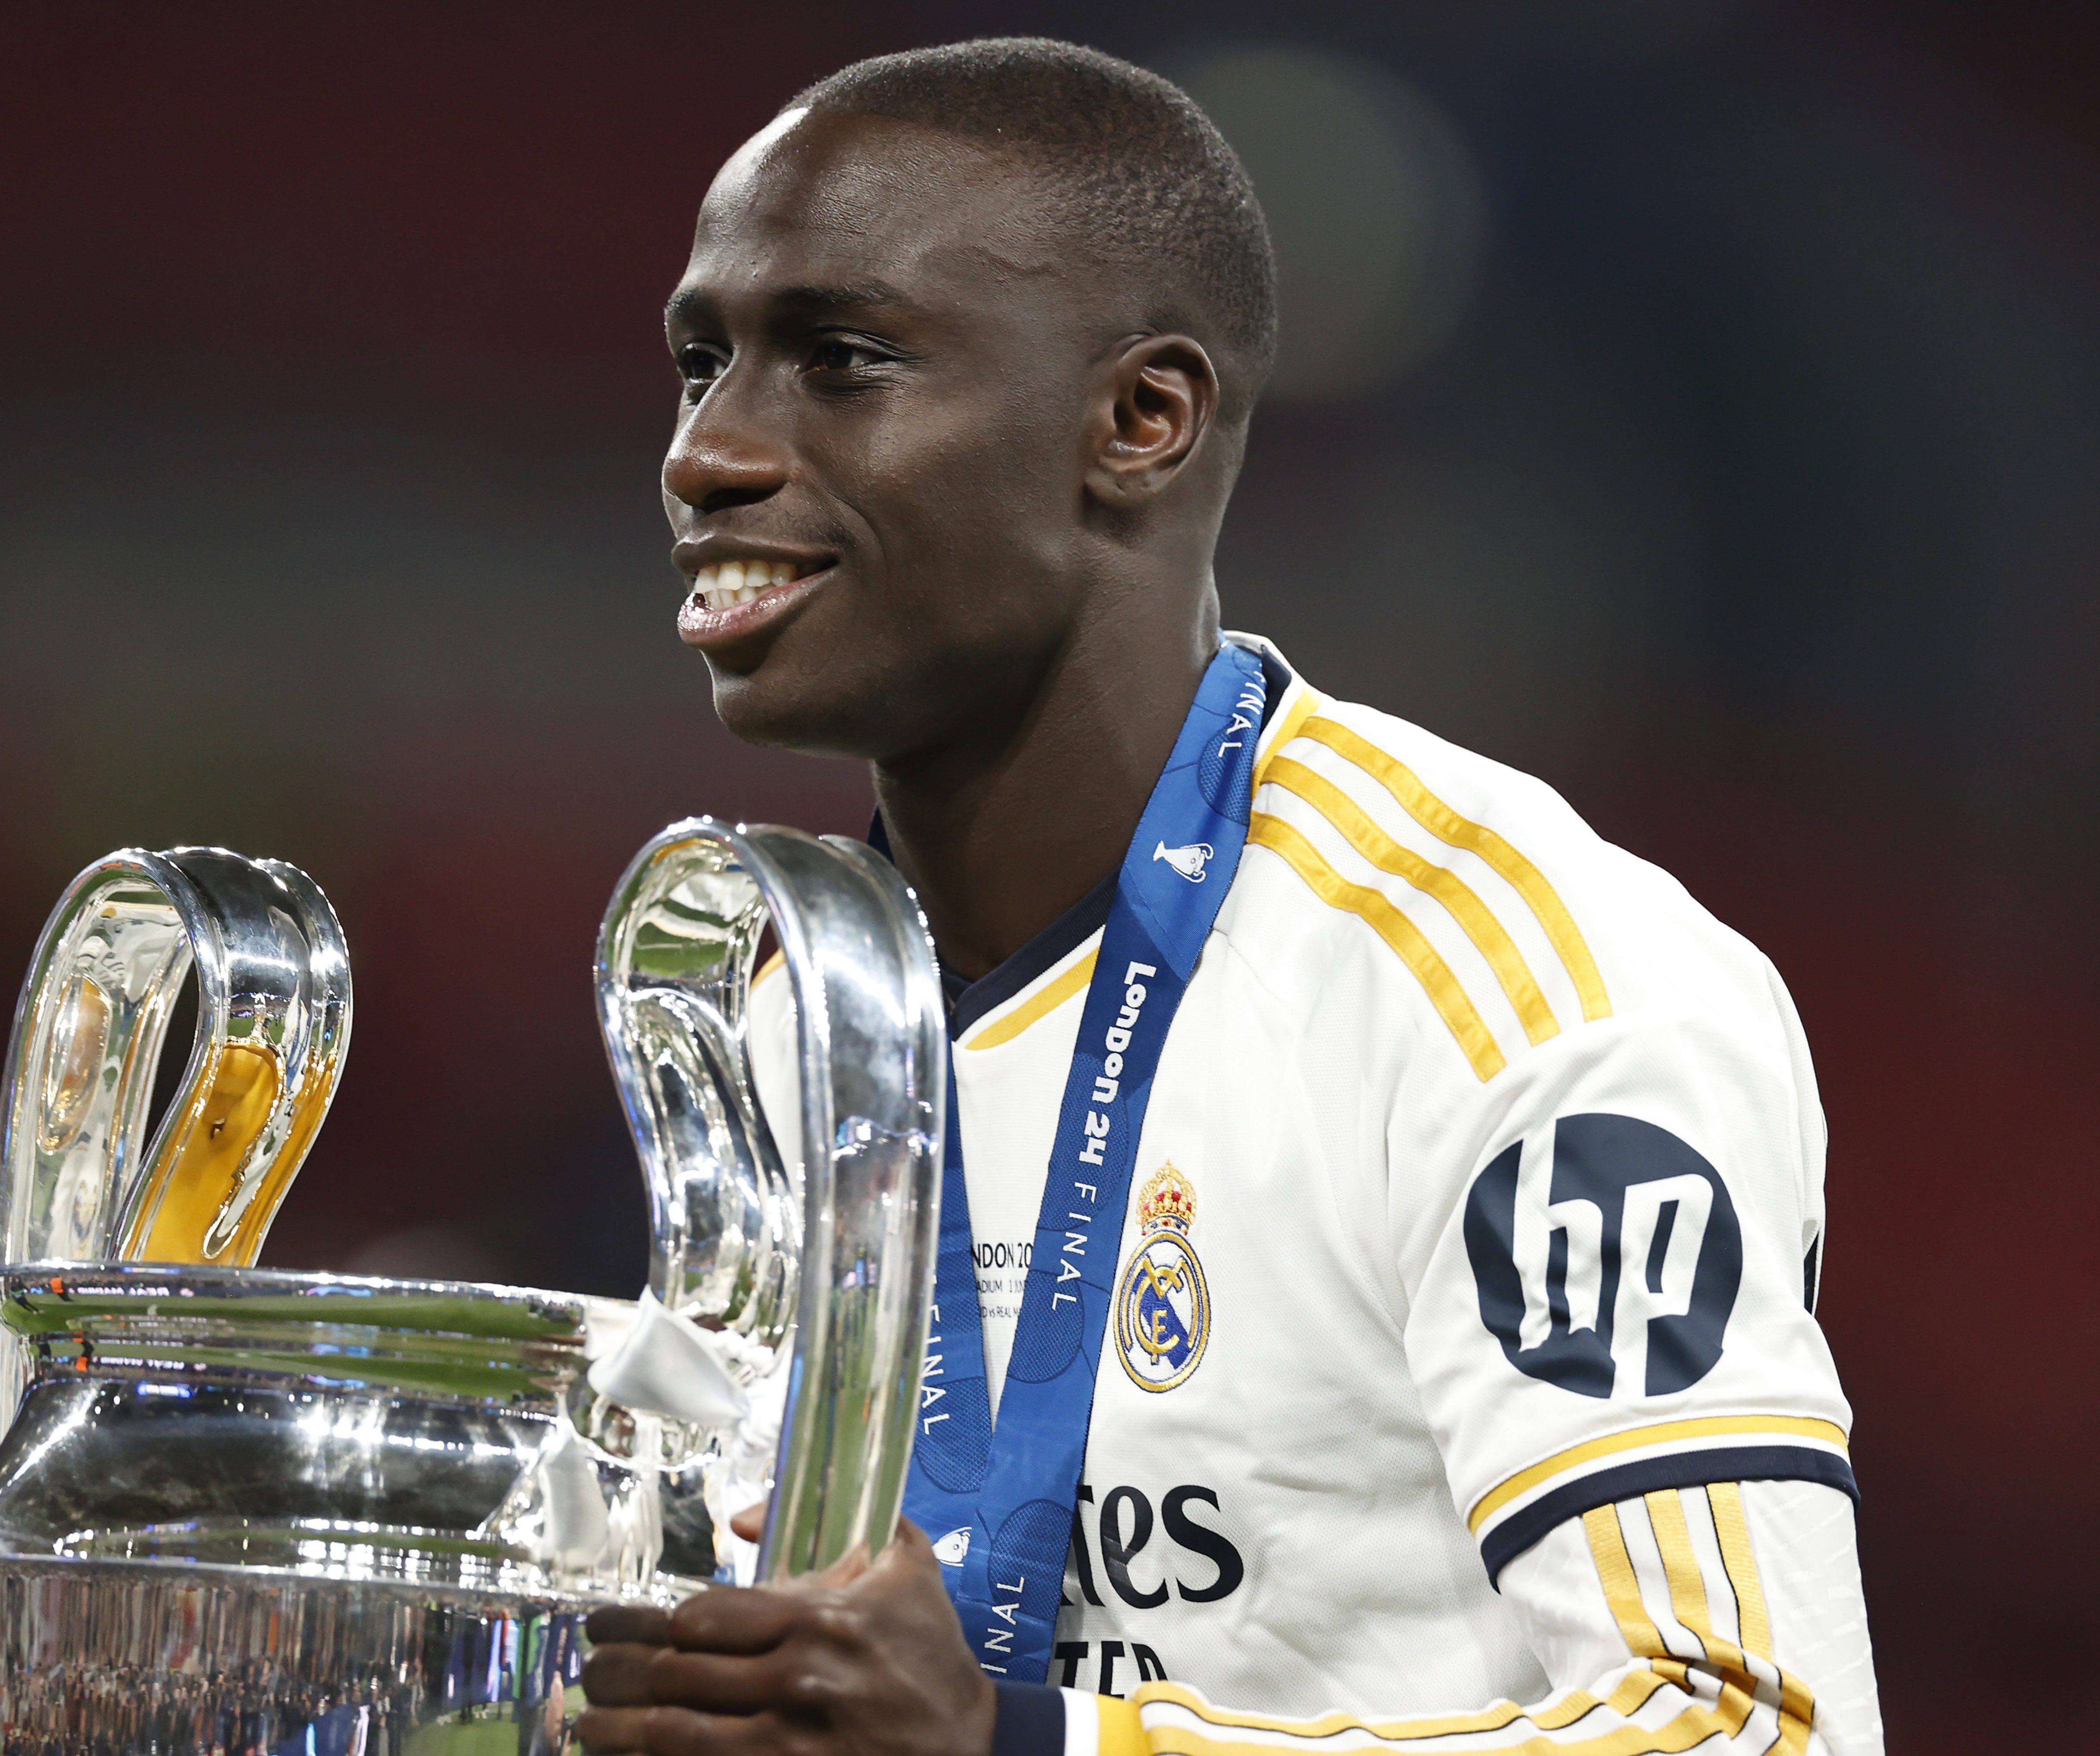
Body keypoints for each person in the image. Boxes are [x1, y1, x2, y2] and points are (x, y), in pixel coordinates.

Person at [579, 36, 1880, 1756]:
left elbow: (1757, 1730)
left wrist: (1020, 1745)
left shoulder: (1515, 978)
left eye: (841, 361)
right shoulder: (784, 1007)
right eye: (701, 366)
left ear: (1140, 422)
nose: (706, 454)